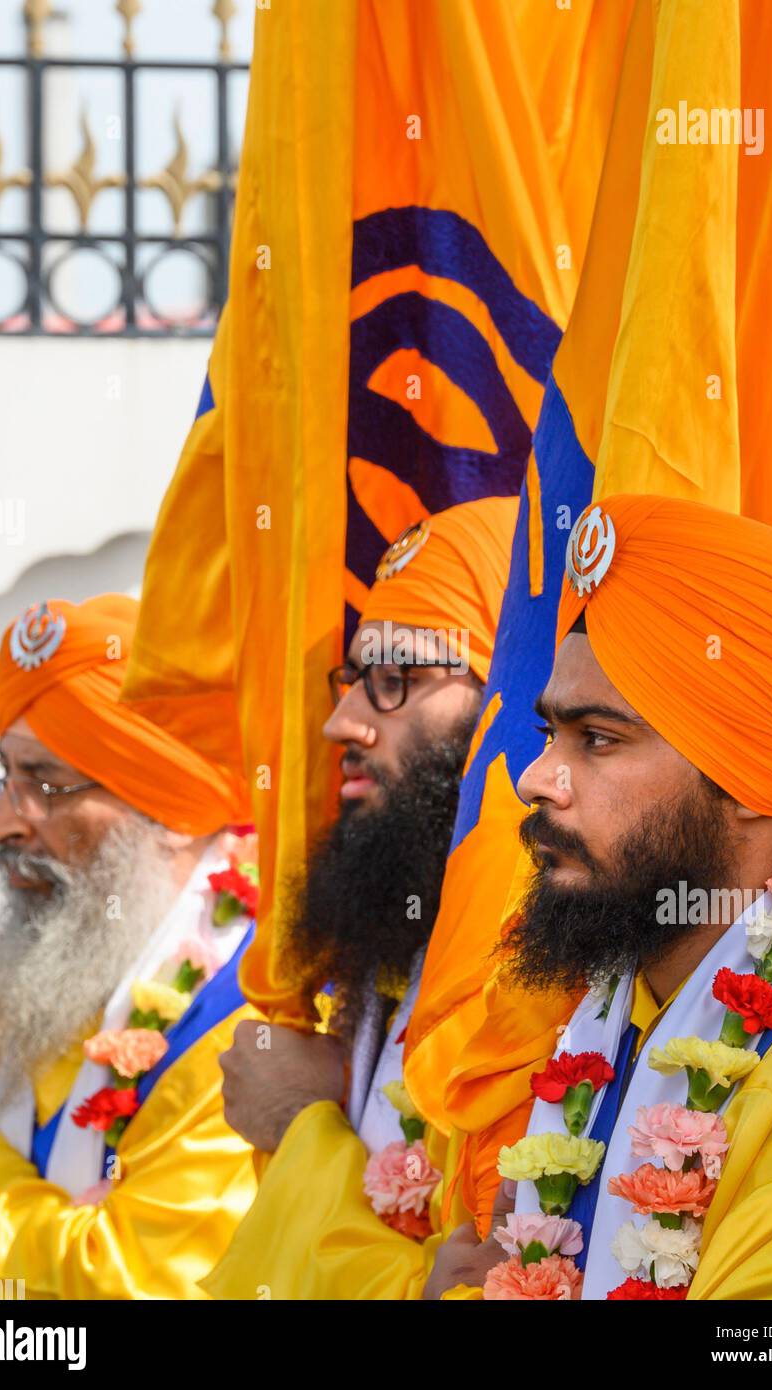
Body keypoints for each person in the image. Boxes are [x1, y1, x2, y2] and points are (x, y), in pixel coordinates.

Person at [427, 494, 772, 1300]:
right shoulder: (612, 1008)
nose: (537, 779)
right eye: (549, 735)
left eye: (598, 740)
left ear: (751, 777)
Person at [206, 497, 517, 1299]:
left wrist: (301, 1125)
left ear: (509, 707)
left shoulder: (552, 974)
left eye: (394, 682)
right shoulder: (395, 924)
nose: (340, 722)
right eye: (352, 681)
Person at [0, 595, 261, 1299]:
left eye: (47, 785)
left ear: (170, 809)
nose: (0, 825)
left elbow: (136, 1282)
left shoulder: (251, 1013)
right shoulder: (16, 967)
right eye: (4, 777)